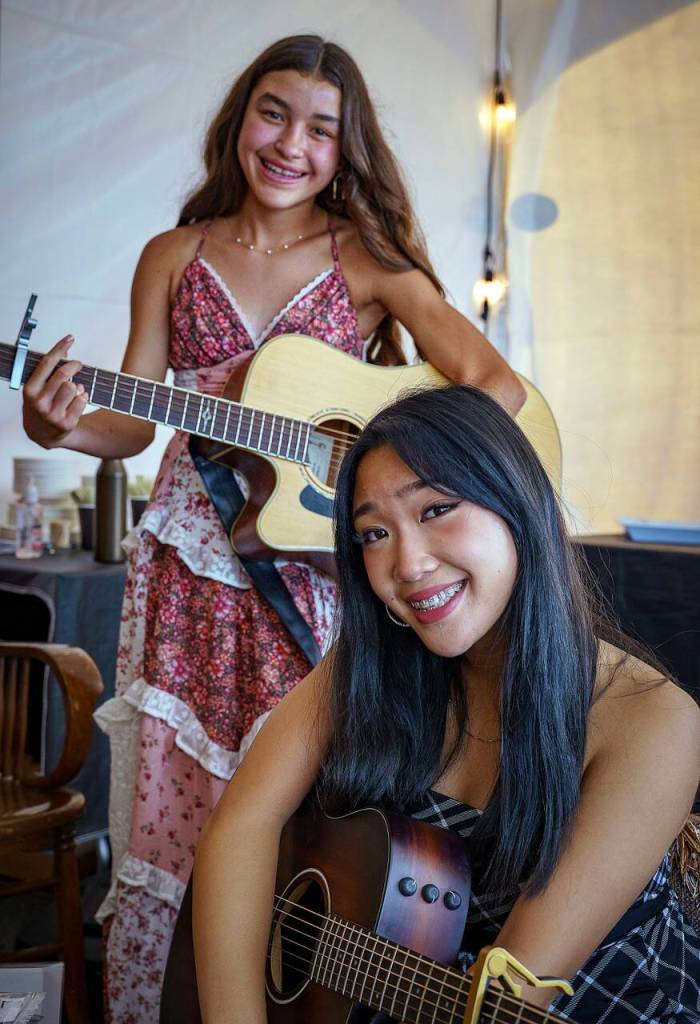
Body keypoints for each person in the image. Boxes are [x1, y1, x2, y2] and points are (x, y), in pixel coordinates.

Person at [20, 35, 525, 1021]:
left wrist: (388, 478)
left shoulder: (364, 258)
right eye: (273, 113)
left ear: (346, 149)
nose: (292, 144)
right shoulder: (175, 254)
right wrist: (61, 426)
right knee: (175, 798)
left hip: (316, 570)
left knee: (302, 801)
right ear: (238, 120)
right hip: (189, 559)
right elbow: (135, 422)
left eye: (321, 128)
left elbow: (493, 385)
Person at [193, 383, 700, 1024]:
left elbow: (512, 1000)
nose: (406, 565)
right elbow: (241, 826)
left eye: (436, 509)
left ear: (518, 504)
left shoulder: (653, 719)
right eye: (374, 534)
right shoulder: (366, 666)